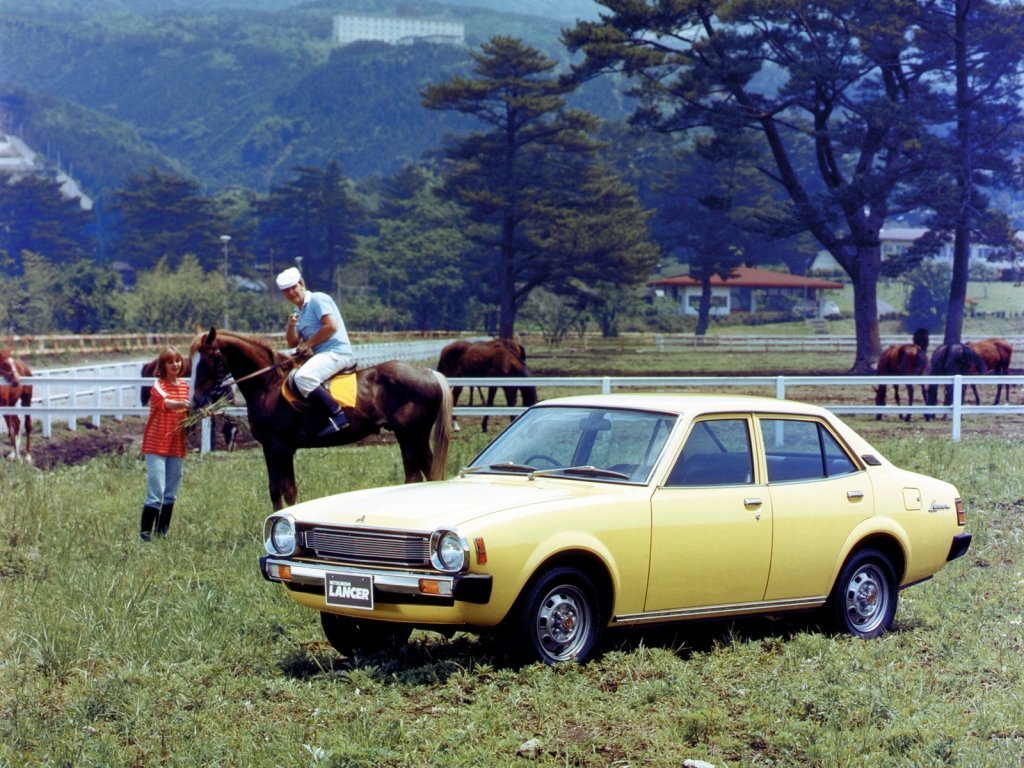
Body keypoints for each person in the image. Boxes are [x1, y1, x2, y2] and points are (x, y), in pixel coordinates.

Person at [276, 266, 354, 437]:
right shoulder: (298, 312)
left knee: (302, 377)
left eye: (293, 287)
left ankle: (338, 415)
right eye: (286, 291)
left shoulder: (318, 299)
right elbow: (293, 342)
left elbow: (331, 327)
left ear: (302, 284)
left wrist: (308, 344)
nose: (290, 292)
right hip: (322, 355)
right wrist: (291, 325)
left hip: (336, 352)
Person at [139, 345, 190, 541]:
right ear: (163, 365)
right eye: (170, 362)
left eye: (177, 361)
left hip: (176, 445)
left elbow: (188, 411)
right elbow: (165, 402)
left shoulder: (185, 386)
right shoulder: (158, 385)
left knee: (170, 493)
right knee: (156, 492)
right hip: (157, 443)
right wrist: (182, 404)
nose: (175, 365)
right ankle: (145, 536)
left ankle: (161, 535)